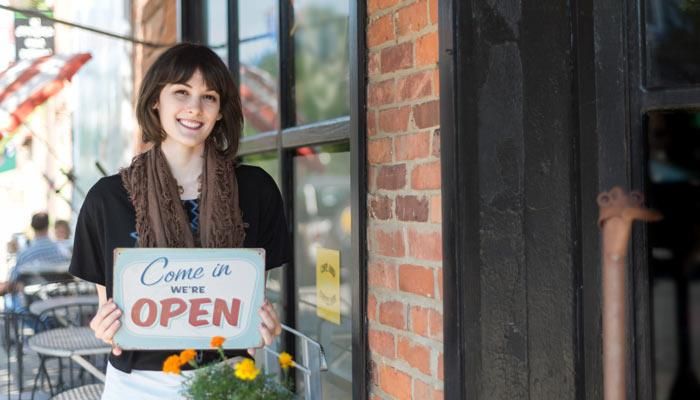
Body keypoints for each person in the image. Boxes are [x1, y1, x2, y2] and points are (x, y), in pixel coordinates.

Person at [69, 43, 290, 399]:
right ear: (156, 100)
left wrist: (261, 324)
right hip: (139, 383)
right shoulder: (107, 199)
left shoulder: (255, 190)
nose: (194, 108)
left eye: (209, 97)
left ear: (220, 111)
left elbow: (250, 295)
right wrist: (104, 327)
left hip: (227, 376)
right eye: (182, 92)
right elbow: (107, 309)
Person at [0, 212, 71, 304]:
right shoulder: (62, 252)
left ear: (32, 227)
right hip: (62, 305)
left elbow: (12, 282)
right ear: (48, 225)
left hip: (34, 307)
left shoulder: (25, 255)